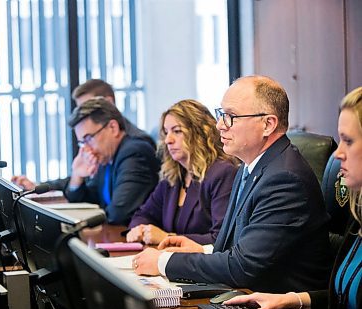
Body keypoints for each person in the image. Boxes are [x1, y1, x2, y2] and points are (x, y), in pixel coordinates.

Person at [132, 75, 331, 293]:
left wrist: (163, 262)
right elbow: (239, 247)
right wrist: (204, 250)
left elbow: (243, 266)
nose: (219, 126)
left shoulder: (284, 179)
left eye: (231, 116)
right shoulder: (251, 166)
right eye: (221, 115)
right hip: (247, 296)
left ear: (268, 124)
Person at [224, 86, 362, 309]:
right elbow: (343, 299)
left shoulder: (285, 176)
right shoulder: (357, 214)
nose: (338, 153)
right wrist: (292, 299)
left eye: (348, 141)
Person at [126, 99, 237, 245]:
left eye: (177, 131)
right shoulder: (173, 176)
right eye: (166, 132)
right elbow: (143, 215)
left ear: (201, 134)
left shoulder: (222, 173)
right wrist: (139, 229)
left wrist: (167, 238)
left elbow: (221, 239)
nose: (167, 140)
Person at [12, 79, 155, 190]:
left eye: (88, 106)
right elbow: (88, 185)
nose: (82, 114)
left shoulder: (132, 145)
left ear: (108, 103)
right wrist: (39, 187)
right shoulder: (99, 142)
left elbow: (118, 211)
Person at [63, 96, 159, 225]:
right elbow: (88, 203)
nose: (86, 149)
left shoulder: (135, 153)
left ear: (113, 128)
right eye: (82, 143)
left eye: (89, 138)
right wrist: (77, 176)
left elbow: (119, 214)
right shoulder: (106, 156)